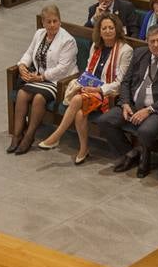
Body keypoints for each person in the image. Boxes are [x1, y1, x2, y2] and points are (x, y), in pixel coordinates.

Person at [97, 24, 158, 178]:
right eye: (152, 41)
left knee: (145, 131)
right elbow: (126, 82)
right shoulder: (139, 53)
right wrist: (126, 103)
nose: (156, 45)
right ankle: (130, 153)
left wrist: (149, 110)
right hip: (133, 105)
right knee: (105, 120)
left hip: (157, 110)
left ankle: (145, 158)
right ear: (147, 42)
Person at [37, 14, 133, 166]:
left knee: (77, 99)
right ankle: (84, 148)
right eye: (104, 28)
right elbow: (88, 69)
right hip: (90, 88)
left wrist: (98, 89)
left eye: (111, 28)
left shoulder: (125, 50)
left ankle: (56, 135)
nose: (107, 31)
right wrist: (85, 84)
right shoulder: (96, 46)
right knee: (80, 113)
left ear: (117, 30)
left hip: (108, 93)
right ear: (99, 31)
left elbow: (120, 83)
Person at [8, 4, 79, 155]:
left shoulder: (68, 40)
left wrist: (41, 77)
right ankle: (17, 135)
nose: (52, 25)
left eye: (55, 21)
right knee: (21, 94)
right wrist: (22, 66)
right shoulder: (39, 34)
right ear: (43, 22)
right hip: (38, 78)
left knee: (39, 98)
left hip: (59, 81)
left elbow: (63, 68)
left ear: (60, 21)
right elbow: (29, 53)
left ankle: (29, 136)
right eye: (48, 22)